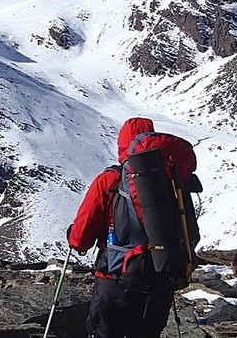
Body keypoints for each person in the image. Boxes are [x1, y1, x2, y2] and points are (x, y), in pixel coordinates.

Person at [67, 117, 174, 338]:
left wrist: (74, 236)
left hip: (116, 281)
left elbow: (80, 239)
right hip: (161, 282)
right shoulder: (170, 179)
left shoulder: (109, 181)